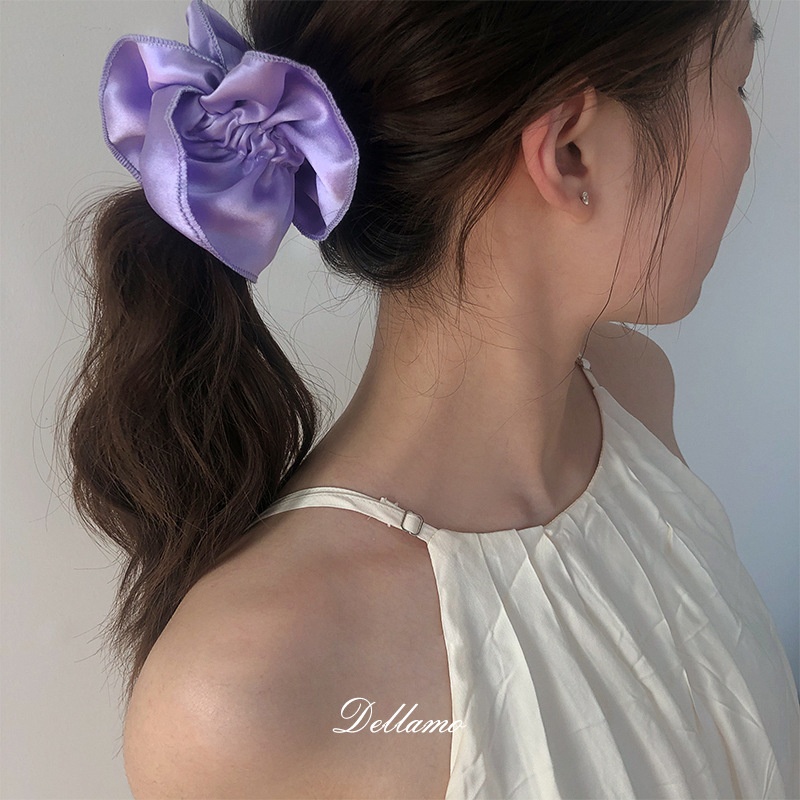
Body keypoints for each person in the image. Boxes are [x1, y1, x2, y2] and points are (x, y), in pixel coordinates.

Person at [56, 0, 799, 797]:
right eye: (736, 82)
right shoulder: (247, 695)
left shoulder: (635, 395)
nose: (751, 147)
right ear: (571, 152)